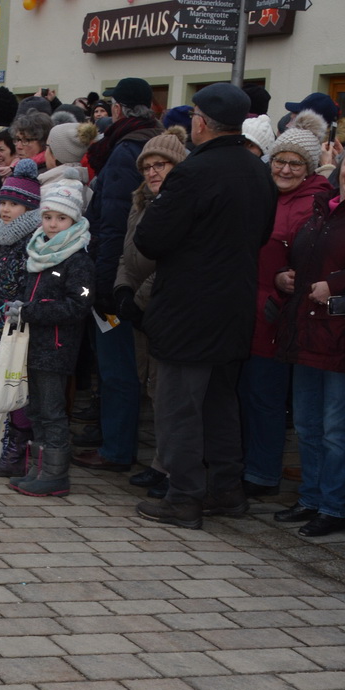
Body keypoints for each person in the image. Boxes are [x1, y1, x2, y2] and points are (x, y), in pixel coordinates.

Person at [132, 82, 277, 529]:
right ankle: (227, 491)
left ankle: (184, 497)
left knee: (178, 406)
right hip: (233, 304)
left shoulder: (194, 173)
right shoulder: (257, 170)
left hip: (188, 307)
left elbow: (151, 238)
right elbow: (262, 234)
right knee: (219, 403)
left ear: (200, 122)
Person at [272, 139, 345, 537]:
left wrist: (334, 285)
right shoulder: (324, 209)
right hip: (305, 332)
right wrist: (283, 277)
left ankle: (333, 506)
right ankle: (310, 498)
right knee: (306, 424)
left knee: (335, 429)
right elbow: (302, 262)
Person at [238, 111, 333, 499]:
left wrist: (281, 286)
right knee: (245, 392)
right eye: (280, 160)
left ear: (308, 168)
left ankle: (261, 474)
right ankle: (244, 463)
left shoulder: (313, 203)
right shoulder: (263, 191)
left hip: (275, 314)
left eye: (295, 163)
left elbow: (310, 262)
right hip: (247, 306)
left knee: (266, 396)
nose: (286, 168)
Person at [80, 77, 162, 473]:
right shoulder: (157, 143)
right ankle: (117, 442)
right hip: (140, 273)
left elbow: (112, 223)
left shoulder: (124, 150)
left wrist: (105, 282)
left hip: (119, 274)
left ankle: (116, 449)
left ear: (116, 110)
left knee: (118, 367)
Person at [113, 129, 190, 498]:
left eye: (161, 164)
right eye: (147, 166)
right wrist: (122, 290)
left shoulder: (183, 203)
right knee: (149, 385)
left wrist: (139, 298)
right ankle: (159, 461)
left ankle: (169, 466)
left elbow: (172, 262)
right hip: (140, 307)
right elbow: (127, 254)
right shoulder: (139, 201)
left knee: (167, 392)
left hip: (166, 307)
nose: (153, 172)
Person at [5, 180, 95, 497]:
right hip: (30, 345)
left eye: (61, 218)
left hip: (56, 348)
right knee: (36, 409)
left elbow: (78, 305)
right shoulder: (37, 252)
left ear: (74, 220)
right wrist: (16, 306)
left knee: (53, 412)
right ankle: (37, 467)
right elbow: (25, 291)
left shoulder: (78, 260)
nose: (53, 225)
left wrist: (32, 311)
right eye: (48, 217)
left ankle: (56, 473)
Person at [0, 159, 42, 476]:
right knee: (5, 384)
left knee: (16, 387)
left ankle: (18, 455)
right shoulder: (6, 235)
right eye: (4, 202)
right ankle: (7, 448)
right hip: (1, 322)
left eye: (14, 204)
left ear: (29, 207)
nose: (5, 209)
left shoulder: (29, 239)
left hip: (16, 326)